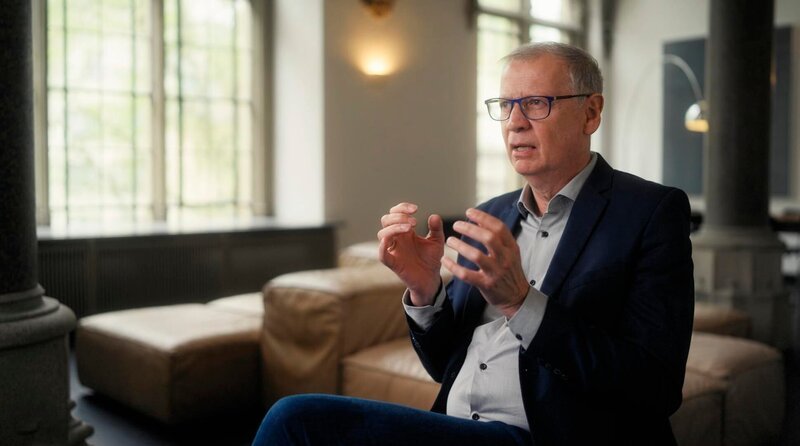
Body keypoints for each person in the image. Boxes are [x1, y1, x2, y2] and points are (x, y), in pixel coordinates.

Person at [252, 41, 694, 446]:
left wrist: (522, 302)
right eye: (506, 105)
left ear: (591, 113)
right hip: (458, 427)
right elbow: (446, 364)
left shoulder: (650, 212)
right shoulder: (491, 213)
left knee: (297, 420)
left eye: (536, 103)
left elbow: (654, 386)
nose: (516, 122)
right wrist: (426, 291)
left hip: (546, 436)